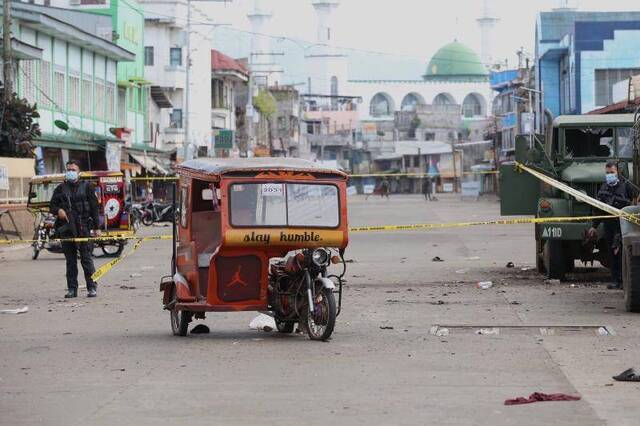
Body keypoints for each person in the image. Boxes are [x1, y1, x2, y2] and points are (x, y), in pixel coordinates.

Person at [50, 160, 101, 298]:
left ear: (79, 172)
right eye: (68, 169)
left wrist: (97, 227)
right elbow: (52, 206)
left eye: (73, 169)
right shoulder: (60, 188)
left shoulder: (88, 187)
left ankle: (92, 287)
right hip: (67, 229)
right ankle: (72, 289)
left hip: (84, 227)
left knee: (86, 259)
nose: (70, 172)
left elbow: (95, 208)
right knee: (70, 261)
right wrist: (58, 210)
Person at [588, 162, 635, 290]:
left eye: (612, 172)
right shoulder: (603, 188)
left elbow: (632, 204)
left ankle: (625, 281)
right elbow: (599, 209)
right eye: (607, 173)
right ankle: (616, 280)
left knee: (622, 252)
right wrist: (594, 226)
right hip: (609, 224)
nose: (610, 175)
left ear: (617, 173)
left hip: (623, 224)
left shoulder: (626, 186)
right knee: (612, 252)